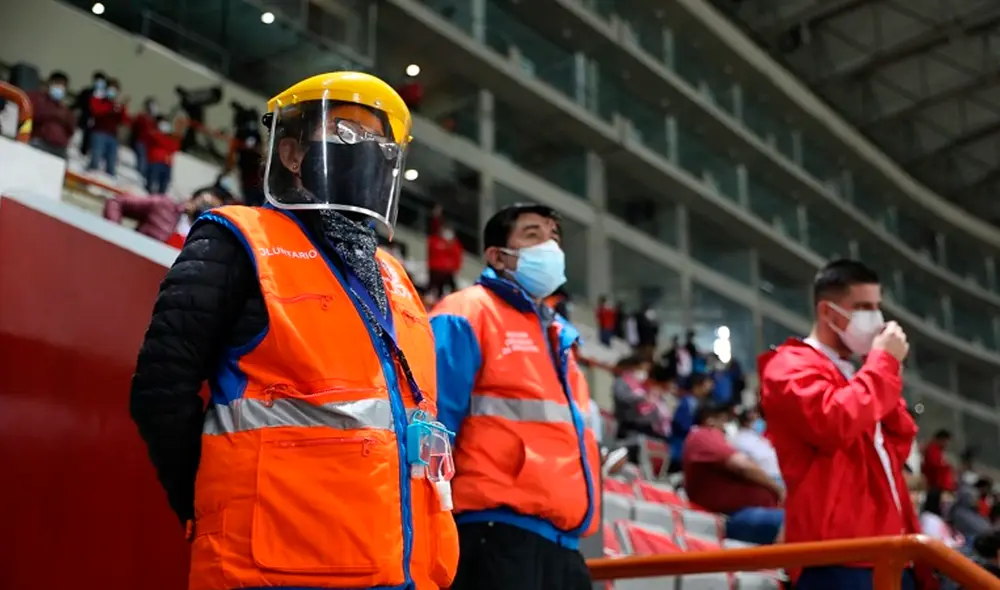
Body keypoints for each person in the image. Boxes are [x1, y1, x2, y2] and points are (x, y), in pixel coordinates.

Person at [129, 71, 458, 590]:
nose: (366, 151)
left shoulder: (394, 276)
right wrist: (208, 505)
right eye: (348, 134)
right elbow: (159, 390)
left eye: (378, 141)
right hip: (272, 567)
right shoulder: (237, 239)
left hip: (396, 570)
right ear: (291, 153)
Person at [429, 203, 599, 590]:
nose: (550, 247)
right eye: (533, 235)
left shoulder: (561, 338)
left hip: (563, 543)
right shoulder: (467, 311)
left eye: (554, 237)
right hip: (493, 533)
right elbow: (433, 425)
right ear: (497, 256)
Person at [759, 259, 920, 590]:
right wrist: (882, 365)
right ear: (828, 312)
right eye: (862, 307)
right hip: (837, 553)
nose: (875, 319)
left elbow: (898, 444)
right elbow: (834, 423)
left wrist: (883, 372)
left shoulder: (860, 370)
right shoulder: (789, 365)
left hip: (888, 544)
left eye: (877, 307)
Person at [682, 402, 784, 545]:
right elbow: (742, 466)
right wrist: (778, 489)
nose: (726, 426)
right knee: (798, 521)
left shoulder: (706, 437)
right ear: (710, 421)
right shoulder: (703, 436)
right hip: (733, 516)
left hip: (748, 510)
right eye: (724, 421)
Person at [103, 187, 224, 247]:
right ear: (191, 199)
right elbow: (116, 202)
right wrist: (114, 234)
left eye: (211, 207)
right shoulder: (163, 206)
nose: (204, 209)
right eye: (204, 203)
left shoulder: (207, 241)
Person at [668, 372, 713, 473]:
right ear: (697, 385)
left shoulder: (697, 402)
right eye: (706, 385)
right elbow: (682, 425)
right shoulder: (687, 403)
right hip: (680, 447)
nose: (709, 389)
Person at [27, 70, 75, 158]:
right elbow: (32, 114)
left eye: (63, 86)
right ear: (49, 84)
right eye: (57, 84)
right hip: (40, 142)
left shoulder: (64, 109)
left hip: (60, 148)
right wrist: (54, 114)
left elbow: (70, 129)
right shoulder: (38, 98)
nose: (60, 88)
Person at [86, 77, 128, 177]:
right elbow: (96, 111)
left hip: (112, 136)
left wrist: (123, 107)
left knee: (112, 162)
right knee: (96, 157)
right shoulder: (99, 100)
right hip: (99, 132)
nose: (112, 91)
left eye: (115, 90)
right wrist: (111, 108)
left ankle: (110, 179)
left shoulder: (117, 105)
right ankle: (90, 175)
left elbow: (124, 121)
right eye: (111, 88)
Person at [731, 406, 782, 485]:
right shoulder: (739, 439)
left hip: (776, 475)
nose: (757, 420)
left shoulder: (756, 435)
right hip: (764, 479)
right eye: (753, 418)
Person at [145, 116, 184, 194]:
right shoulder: (156, 135)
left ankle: (160, 198)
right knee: (152, 182)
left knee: (164, 183)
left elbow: (175, 147)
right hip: (156, 161)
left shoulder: (171, 139)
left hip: (166, 163)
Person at [72, 70, 106, 156]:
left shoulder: (105, 97)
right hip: (84, 119)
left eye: (101, 81)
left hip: (97, 124)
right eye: (97, 80)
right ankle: (80, 152)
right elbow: (77, 104)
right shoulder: (86, 92)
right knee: (80, 137)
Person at [427, 220, 463, 298]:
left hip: (447, 272)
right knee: (434, 289)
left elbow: (457, 256)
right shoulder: (435, 241)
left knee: (452, 289)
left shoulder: (454, 244)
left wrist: (456, 269)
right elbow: (432, 252)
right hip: (436, 271)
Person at [130, 97, 159, 179]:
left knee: (147, 160)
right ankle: (140, 175)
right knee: (142, 159)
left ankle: (144, 175)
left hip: (149, 145)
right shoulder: (142, 117)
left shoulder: (154, 121)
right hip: (141, 142)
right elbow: (134, 126)